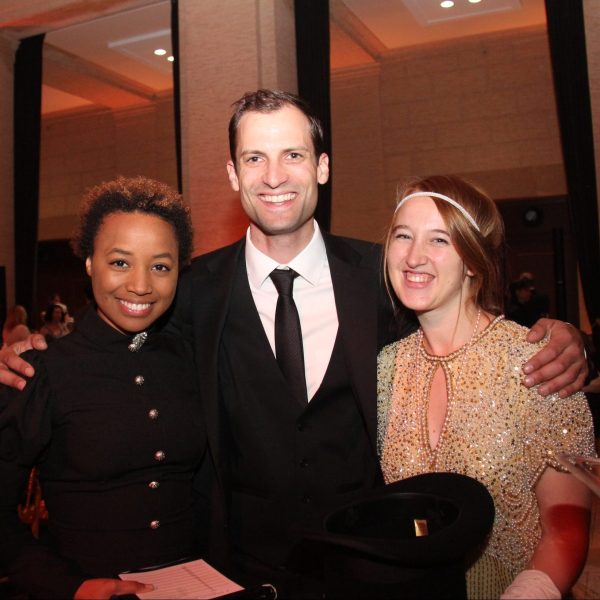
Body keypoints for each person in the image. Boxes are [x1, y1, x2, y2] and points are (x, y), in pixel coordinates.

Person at [0, 90, 589, 598]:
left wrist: (578, 343)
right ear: (233, 174)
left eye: (293, 155)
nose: (274, 176)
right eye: (255, 157)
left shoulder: (385, 275)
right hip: (237, 573)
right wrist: (32, 349)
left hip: (374, 571)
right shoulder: (193, 290)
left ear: (323, 166)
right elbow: (124, 312)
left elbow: (469, 321)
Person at [377, 175, 594, 599]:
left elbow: (566, 532)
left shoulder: (537, 363)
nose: (414, 256)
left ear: (474, 261)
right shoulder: (383, 368)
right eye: (403, 236)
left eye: (439, 240)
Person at [0, 176, 204, 599]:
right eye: (120, 262)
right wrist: (67, 587)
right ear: (90, 263)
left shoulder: (190, 358)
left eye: (160, 266)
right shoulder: (42, 372)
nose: (141, 285)